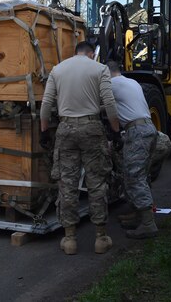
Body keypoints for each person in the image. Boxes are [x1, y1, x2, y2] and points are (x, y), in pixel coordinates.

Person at [39, 41, 123, 255]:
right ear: (92, 53)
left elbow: (46, 103)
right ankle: (101, 238)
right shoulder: (100, 68)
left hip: (65, 129)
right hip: (91, 129)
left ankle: (69, 240)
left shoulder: (58, 69)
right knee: (97, 183)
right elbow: (110, 103)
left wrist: (43, 130)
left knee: (67, 184)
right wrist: (115, 130)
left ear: (75, 52)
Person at [107, 61, 159, 239]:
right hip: (148, 129)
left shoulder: (111, 84)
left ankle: (148, 224)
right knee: (140, 175)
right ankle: (139, 216)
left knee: (135, 177)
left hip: (136, 132)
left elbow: (97, 103)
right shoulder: (131, 82)